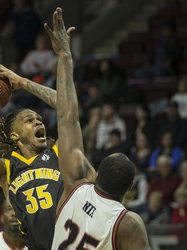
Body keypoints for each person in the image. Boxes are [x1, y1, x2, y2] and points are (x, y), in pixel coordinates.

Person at [44, 8, 151, 249]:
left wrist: (63, 56)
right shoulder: (128, 223)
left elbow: (67, 117)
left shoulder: (76, 184)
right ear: (129, 189)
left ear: (97, 174)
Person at [0, 27, 63, 250]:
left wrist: (24, 83)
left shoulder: (57, 151)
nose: (39, 122)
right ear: (14, 135)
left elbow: (67, 107)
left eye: (39, 119)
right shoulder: (7, 168)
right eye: (29, 120)